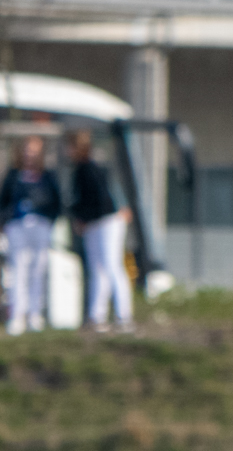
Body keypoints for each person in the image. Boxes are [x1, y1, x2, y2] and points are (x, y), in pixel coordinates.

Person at [66, 131, 135, 332]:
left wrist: (82, 217)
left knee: (112, 266)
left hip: (107, 222)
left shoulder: (89, 169)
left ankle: (124, 316)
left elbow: (100, 200)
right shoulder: (83, 169)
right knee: (98, 269)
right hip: (95, 223)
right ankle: (97, 316)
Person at [2, 135, 62, 335]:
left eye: (34, 151)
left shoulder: (47, 175)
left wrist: (49, 220)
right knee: (17, 269)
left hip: (41, 225)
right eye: (27, 150)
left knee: (38, 270)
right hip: (17, 225)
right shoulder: (13, 175)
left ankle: (35, 314)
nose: (30, 154)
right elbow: (4, 200)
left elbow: (56, 201)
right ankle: (17, 315)